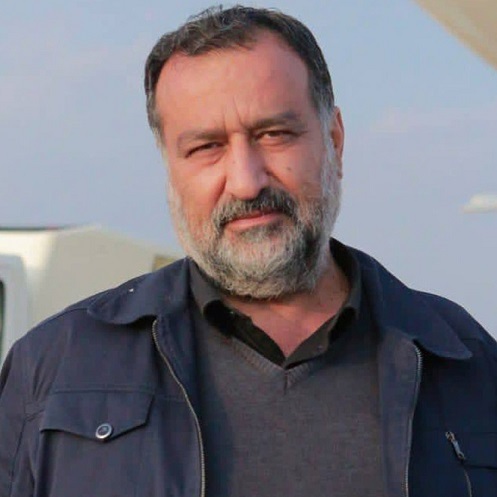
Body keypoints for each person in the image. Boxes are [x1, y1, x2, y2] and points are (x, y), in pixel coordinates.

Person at [1, 5, 496, 497]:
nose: (245, 181)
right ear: (170, 167)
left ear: (335, 141)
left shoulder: (469, 364)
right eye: (206, 147)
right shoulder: (53, 369)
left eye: (274, 135)